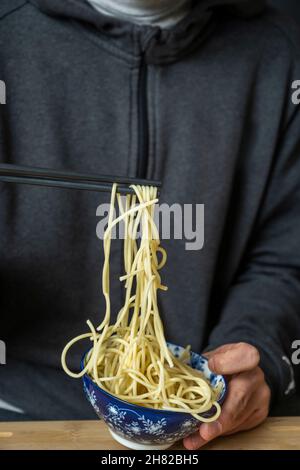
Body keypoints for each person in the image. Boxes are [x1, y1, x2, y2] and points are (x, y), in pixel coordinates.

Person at [0, 0, 299, 451]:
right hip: (21, 417)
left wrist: (260, 352)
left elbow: (285, 256)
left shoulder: (280, 45)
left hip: (203, 421)